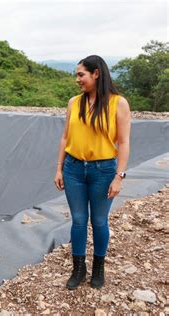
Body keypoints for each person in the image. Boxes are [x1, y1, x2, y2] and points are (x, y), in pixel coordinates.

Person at [53, 55, 131, 290]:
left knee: (98, 221)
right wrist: (58, 168)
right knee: (78, 220)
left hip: (103, 170)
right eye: (77, 74)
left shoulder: (118, 103)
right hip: (73, 169)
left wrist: (119, 176)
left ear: (96, 73)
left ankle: (98, 268)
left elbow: (124, 142)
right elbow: (65, 136)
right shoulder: (73, 102)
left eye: (81, 74)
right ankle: (78, 268)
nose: (77, 79)